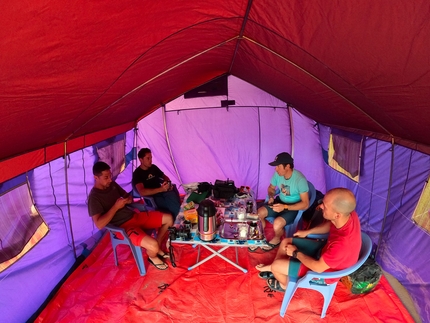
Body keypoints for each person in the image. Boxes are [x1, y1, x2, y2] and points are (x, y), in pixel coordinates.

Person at [255, 187, 362, 292]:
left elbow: (318, 268)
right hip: (324, 251)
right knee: (286, 242)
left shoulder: (342, 246)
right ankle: (278, 270)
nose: (320, 206)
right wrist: (307, 232)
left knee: (276, 265)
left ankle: (284, 285)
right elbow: (330, 225)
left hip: (323, 274)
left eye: (325, 206)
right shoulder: (348, 215)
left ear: (337, 215)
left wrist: (295, 253)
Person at [88, 161, 173, 270]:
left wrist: (128, 200)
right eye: (106, 177)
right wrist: (116, 207)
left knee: (169, 219)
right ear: (96, 177)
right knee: (153, 246)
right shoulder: (94, 198)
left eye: (110, 176)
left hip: (134, 217)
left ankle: (157, 244)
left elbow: (128, 196)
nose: (110, 179)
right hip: (124, 227)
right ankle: (153, 256)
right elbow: (99, 224)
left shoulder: (112, 185)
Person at [251, 152, 309, 252]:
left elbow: (305, 204)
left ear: (287, 166)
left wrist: (285, 207)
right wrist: (271, 196)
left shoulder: (300, 180)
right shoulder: (278, 175)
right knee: (258, 214)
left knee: (277, 223)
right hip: (279, 202)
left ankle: (277, 239)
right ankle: (259, 236)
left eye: (278, 166)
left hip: (292, 208)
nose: (275, 169)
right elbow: (271, 188)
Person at [132, 148, 181, 220]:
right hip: (152, 197)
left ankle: (179, 217)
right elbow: (142, 192)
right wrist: (161, 189)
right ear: (141, 160)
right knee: (171, 203)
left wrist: (167, 182)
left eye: (151, 157)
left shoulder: (153, 167)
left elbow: (164, 176)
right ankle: (179, 219)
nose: (150, 160)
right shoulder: (137, 173)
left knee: (172, 193)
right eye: (148, 158)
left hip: (162, 191)